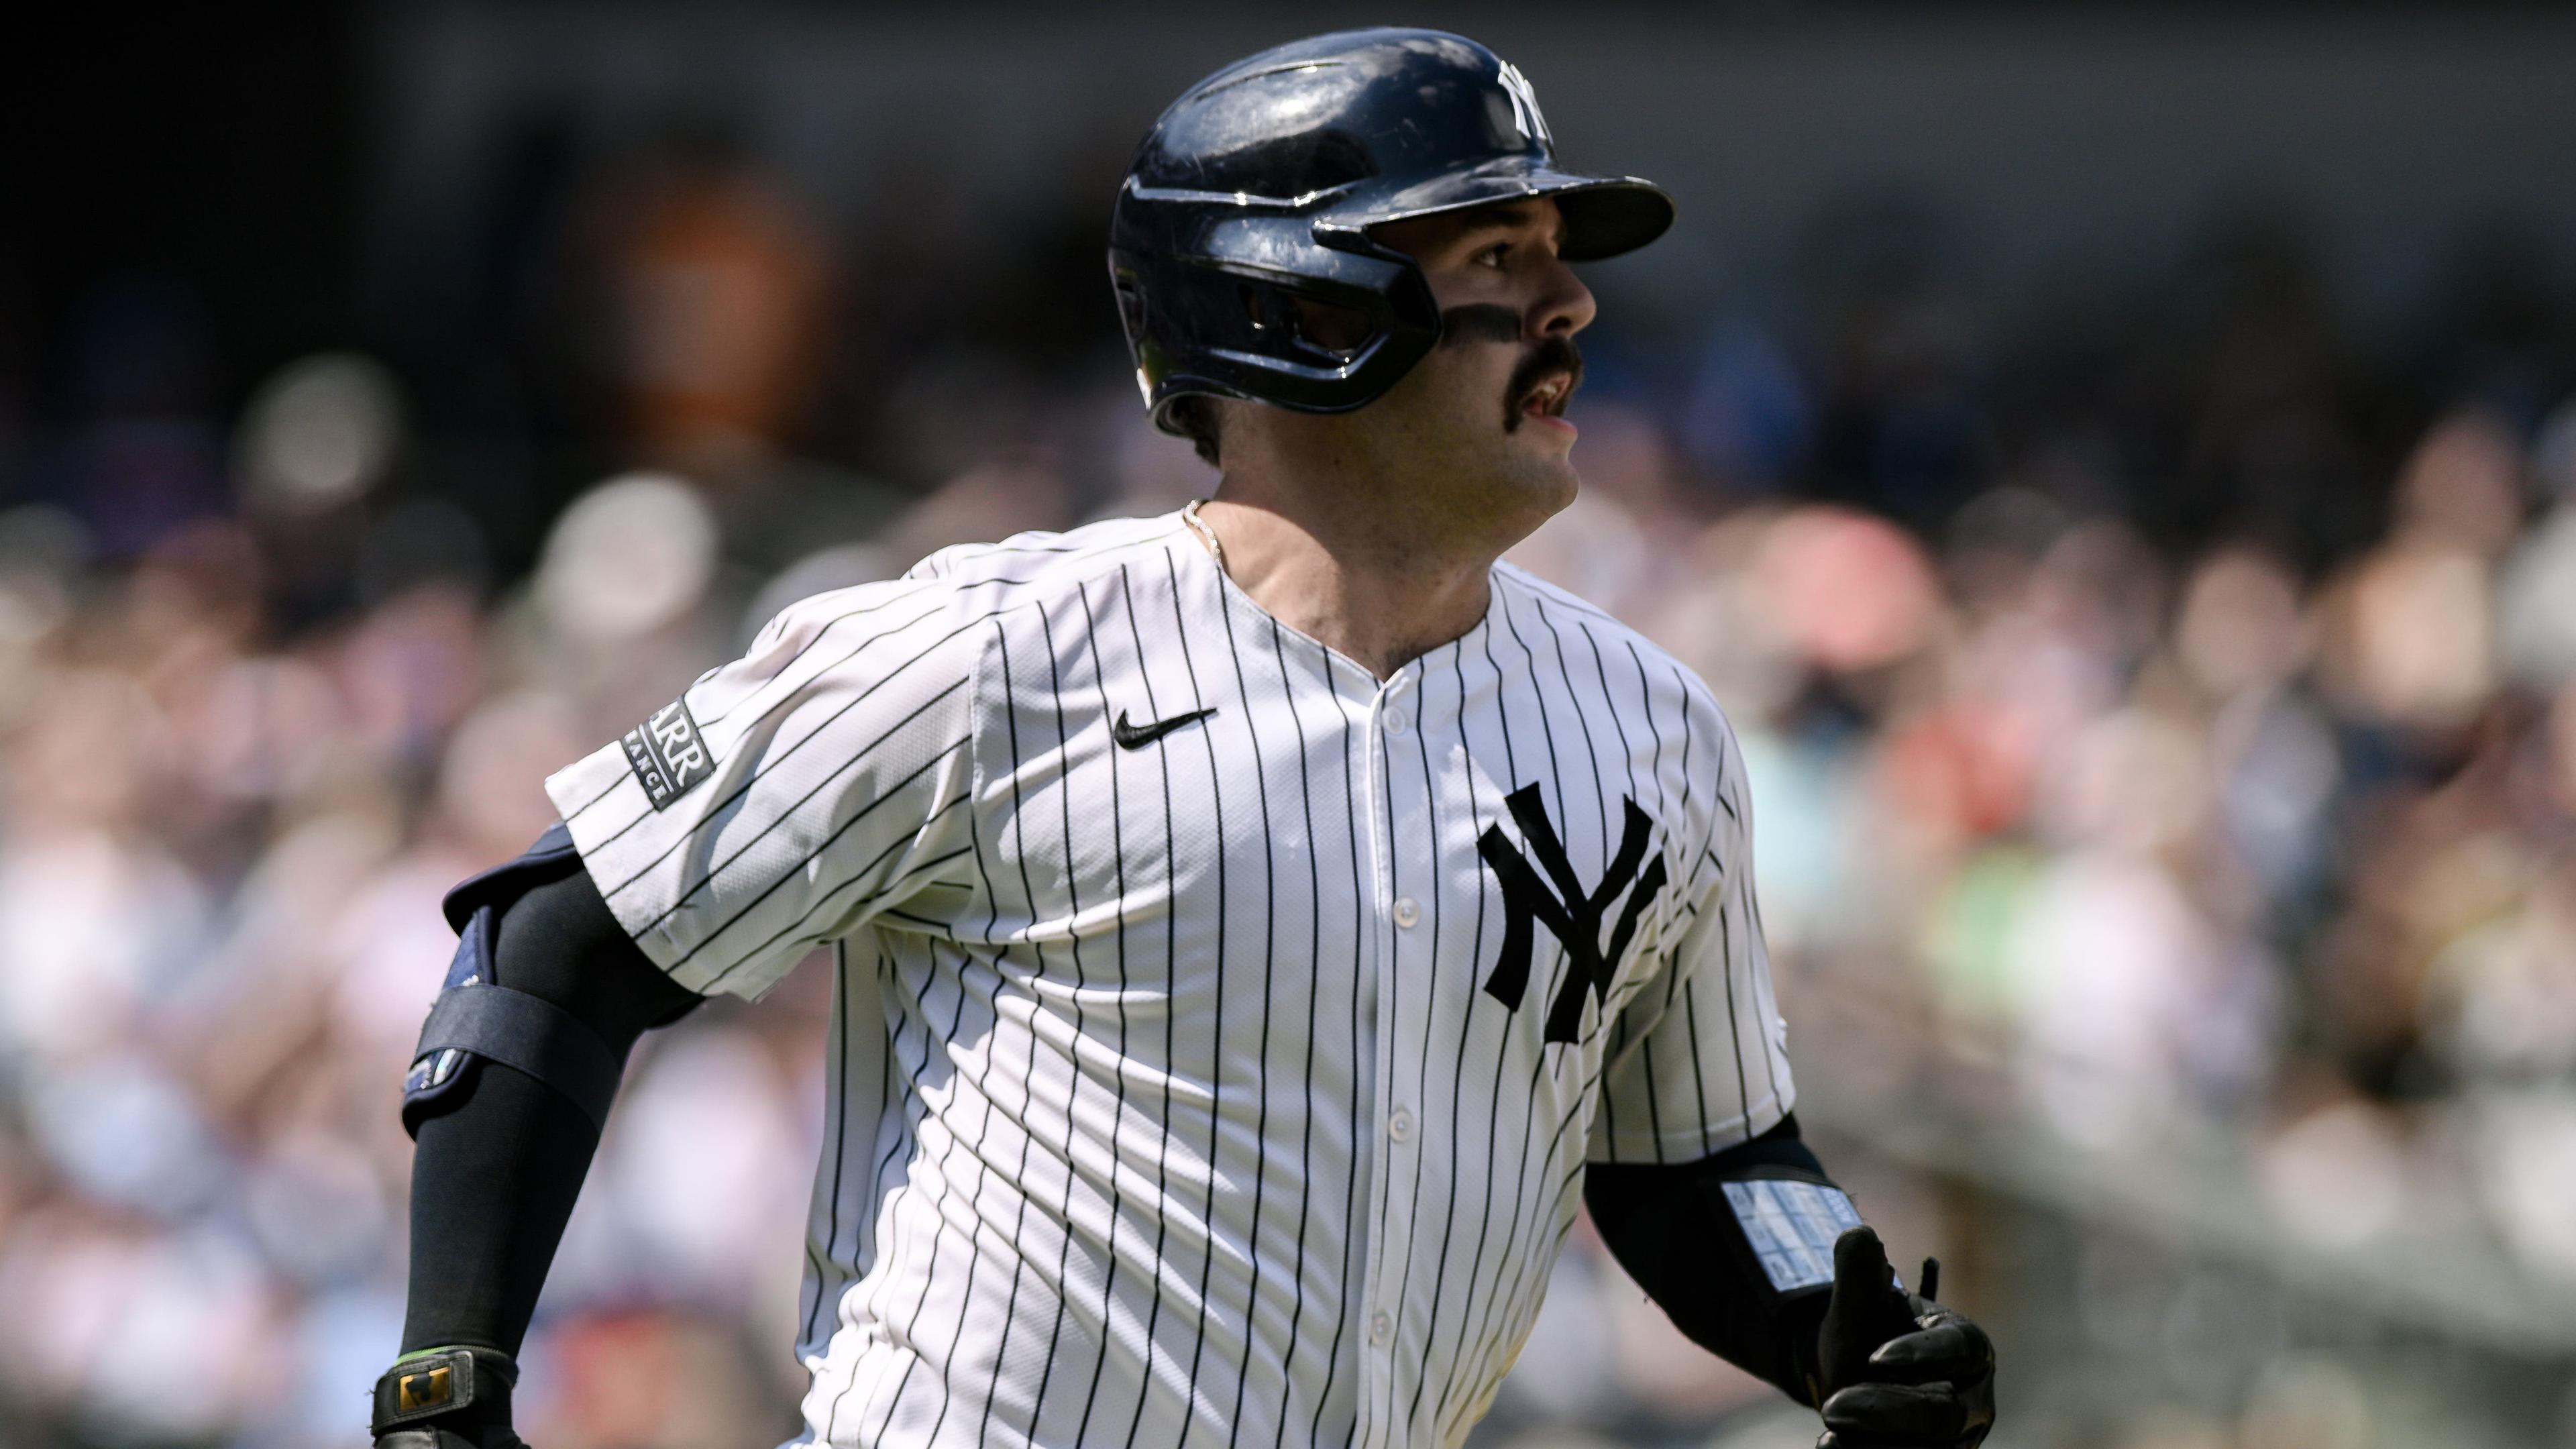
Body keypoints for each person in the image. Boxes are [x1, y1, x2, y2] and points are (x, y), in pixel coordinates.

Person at [369, 28, 1994, 1449]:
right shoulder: (990, 650)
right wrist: (449, 1380)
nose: (1571, 304)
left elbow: (1703, 1154)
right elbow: (549, 947)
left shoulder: (1653, 728)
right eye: (1497, 258)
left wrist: (1833, 1318)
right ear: (1299, 307)